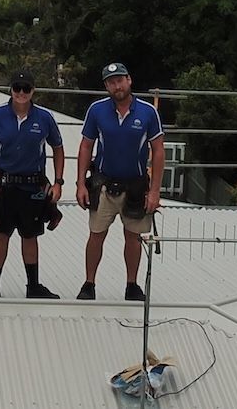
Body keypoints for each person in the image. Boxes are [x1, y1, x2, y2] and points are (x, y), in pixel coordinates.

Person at [0, 71, 65, 299]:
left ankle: (33, 286)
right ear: (10, 89)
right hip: (3, 186)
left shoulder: (44, 118)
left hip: (32, 187)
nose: (21, 93)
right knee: (1, 233)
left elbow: (58, 147)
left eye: (26, 89)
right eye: (16, 88)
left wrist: (58, 182)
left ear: (33, 91)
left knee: (30, 235)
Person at [75, 62, 166, 301]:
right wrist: (80, 184)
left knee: (133, 237)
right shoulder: (96, 110)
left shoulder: (148, 112)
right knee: (96, 233)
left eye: (120, 80)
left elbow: (158, 150)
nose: (117, 86)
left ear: (129, 80)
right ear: (106, 86)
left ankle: (131, 285)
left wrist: (155, 192)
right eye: (111, 82)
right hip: (103, 183)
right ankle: (89, 283)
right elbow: (86, 146)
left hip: (135, 184)